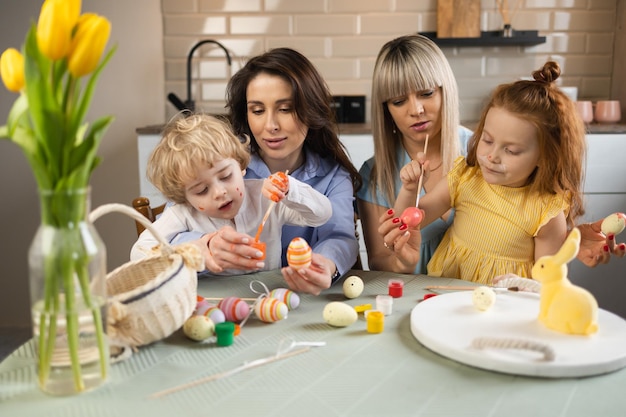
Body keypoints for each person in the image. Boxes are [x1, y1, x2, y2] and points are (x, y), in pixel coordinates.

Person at [357, 34, 625, 275]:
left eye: (426, 93)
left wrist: (570, 240)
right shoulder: (381, 174)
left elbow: (524, 217)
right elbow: (388, 250)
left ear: (445, 91)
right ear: (386, 109)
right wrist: (403, 259)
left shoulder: (479, 155)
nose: (415, 109)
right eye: (398, 100)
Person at [400, 61, 584, 284]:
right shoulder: (466, 178)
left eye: (511, 150)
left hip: (505, 307)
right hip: (447, 295)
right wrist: (410, 190)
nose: (492, 156)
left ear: (545, 158)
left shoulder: (546, 212)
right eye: (487, 140)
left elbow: (549, 283)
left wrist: (523, 285)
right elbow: (410, 222)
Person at [201, 47, 362, 294]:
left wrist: (324, 265)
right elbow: (167, 233)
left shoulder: (333, 177)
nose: (271, 125)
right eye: (257, 110)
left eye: (285, 109)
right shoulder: (221, 165)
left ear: (310, 110)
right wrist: (206, 245)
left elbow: (339, 237)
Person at [130, 114, 332, 276]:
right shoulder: (183, 213)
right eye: (201, 190)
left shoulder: (264, 197)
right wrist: (192, 250)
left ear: (241, 166)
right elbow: (138, 253)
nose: (219, 192)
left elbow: (322, 214)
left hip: (270, 297)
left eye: (226, 176)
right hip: (211, 303)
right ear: (184, 197)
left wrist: (290, 189)